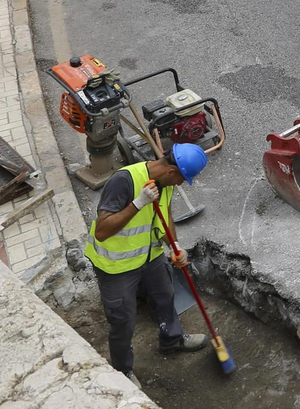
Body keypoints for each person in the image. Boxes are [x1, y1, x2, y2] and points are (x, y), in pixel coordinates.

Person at [85, 145, 211, 382]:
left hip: (150, 256)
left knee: (165, 296)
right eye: (182, 179)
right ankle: (123, 371)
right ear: (171, 171)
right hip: (117, 266)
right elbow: (102, 231)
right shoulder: (124, 181)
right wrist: (138, 203)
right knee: (122, 319)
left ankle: (172, 340)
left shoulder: (164, 184)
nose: (182, 185)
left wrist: (175, 246)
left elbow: (166, 215)